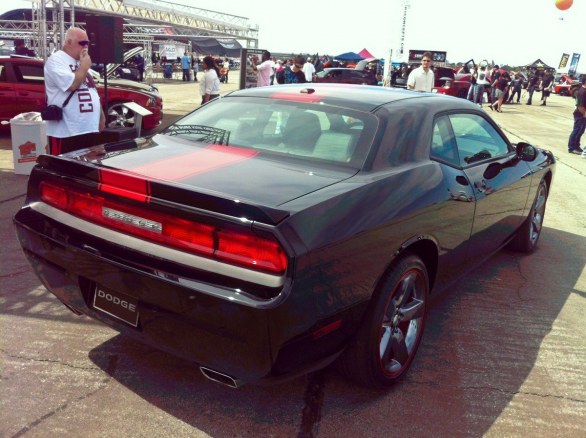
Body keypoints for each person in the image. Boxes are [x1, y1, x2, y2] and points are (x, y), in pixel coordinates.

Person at [44, 26, 105, 155]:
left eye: (87, 43)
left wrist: (101, 116)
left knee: (89, 169)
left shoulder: (82, 62)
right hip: (67, 131)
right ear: (68, 42)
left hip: (88, 127)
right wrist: (84, 66)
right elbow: (72, 84)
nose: (86, 47)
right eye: (82, 43)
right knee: (67, 168)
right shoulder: (56, 61)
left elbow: (91, 89)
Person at [567, 75, 586, 154]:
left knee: (580, 131)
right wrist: (585, 114)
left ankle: (576, 146)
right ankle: (572, 148)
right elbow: (580, 106)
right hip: (580, 114)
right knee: (577, 130)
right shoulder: (582, 92)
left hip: (582, 114)